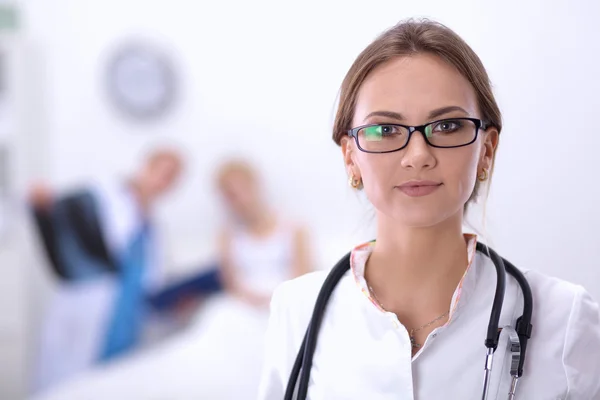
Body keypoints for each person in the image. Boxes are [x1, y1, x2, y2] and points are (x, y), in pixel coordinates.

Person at [258, 19, 600, 399]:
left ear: (486, 150)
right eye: (386, 130)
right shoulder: (296, 311)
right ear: (350, 157)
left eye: (448, 125)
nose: (418, 156)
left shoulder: (565, 319)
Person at [30, 147, 185, 392]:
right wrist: (42, 204)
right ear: (146, 166)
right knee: (67, 386)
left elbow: (152, 281)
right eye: (162, 173)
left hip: (126, 322)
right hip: (86, 310)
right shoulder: (101, 197)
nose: (163, 183)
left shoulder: (155, 228)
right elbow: (55, 213)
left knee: (111, 387)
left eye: (172, 179)